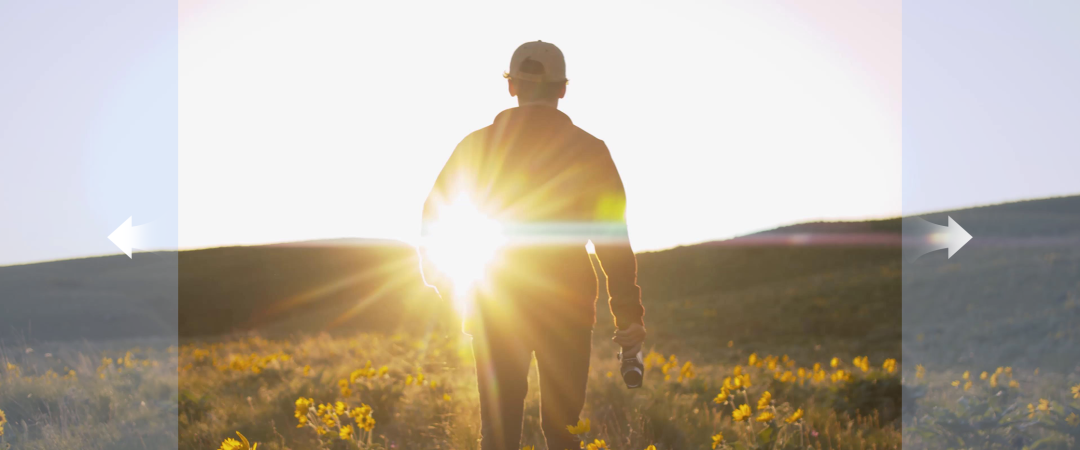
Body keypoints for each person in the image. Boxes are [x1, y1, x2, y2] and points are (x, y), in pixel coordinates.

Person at [418, 40, 646, 450]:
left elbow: (434, 218)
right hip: (568, 308)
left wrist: (455, 292)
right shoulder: (590, 150)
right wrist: (628, 316)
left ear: (511, 87)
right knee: (563, 432)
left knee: (498, 433)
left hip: (495, 304)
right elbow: (613, 242)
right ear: (563, 89)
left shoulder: (476, 145)